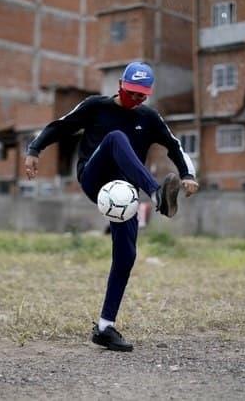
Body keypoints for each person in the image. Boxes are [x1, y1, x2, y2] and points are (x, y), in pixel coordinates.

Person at [24, 61, 199, 352]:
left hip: (125, 192)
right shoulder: (96, 106)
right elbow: (61, 125)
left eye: (142, 96)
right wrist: (34, 149)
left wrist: (188, 174)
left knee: (127, 254)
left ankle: (105, 327)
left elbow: (174, 145)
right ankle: (156, 194)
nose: (136, 100)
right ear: (120, 85)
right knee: (116, 138)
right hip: (94, 177)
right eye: (132, 94)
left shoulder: (149, 117)